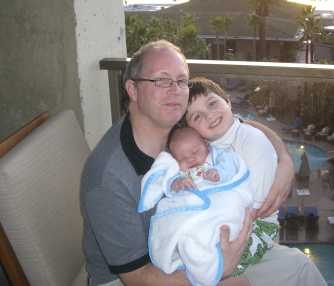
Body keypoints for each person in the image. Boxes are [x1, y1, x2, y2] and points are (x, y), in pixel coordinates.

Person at [80, 40, 294, 286]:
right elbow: (137, 278)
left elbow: (238, 127)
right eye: (161, 80)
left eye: (181, 81)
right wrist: (217, 270)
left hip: (196, 245)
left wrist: (283, 158)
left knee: (299, 266)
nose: (175, 90)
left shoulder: (177, 127)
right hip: (137, 276)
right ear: (133, 89)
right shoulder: (109, 179)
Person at [183, 77, 328, 286]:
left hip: (256, 227)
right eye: (197, 116)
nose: (209, 115)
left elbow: (255, 207)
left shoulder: (252, 141)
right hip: (229, 221)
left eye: (212, 103)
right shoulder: (205, 149)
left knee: (210, 272)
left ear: (228, 102)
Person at [139, 127, 254, 286]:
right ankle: (198, 254)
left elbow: (230, 166)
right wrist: (178, 183)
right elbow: (170, 185)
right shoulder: (182, 173)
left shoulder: (217, 158)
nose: (190, 159)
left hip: (220, 200)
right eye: (181, 159)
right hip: (195, 211)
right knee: (188, 232)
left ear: (207, 146)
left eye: (195, 151)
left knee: (231, 203)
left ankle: (206, 254)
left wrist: (218, 173)